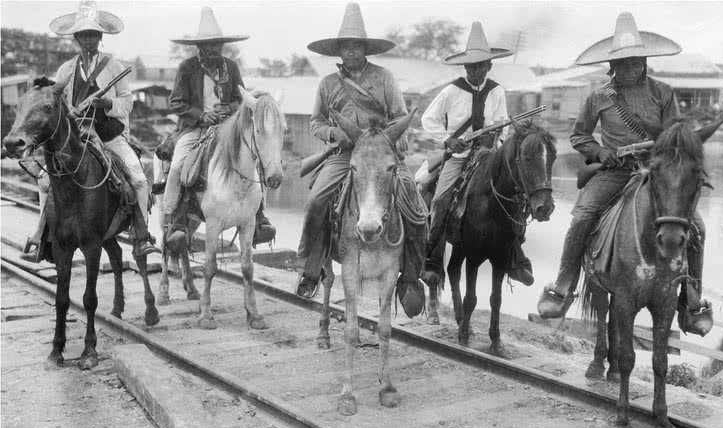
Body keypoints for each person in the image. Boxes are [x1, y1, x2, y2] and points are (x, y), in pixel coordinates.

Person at [536, 12, 713, 336]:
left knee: (697, 227)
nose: (630, 68)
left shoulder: (663, 92)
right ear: (612, 66)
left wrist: (659, 153)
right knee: (582, 217)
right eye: (623, 63)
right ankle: (563, 286)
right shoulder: (599, 96)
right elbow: (579, 136)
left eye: (635, 61)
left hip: (655, 174)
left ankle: (691, 301)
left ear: (645, 61)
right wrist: (599, 152)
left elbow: (676, 137)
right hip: (614, 171)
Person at [296, 2, 427, 317]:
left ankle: (411, 276)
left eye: (356, 46)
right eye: (346, 46)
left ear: (364, 49)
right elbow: (316, 122)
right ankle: (311, 267)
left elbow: (398, 116)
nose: (351, 51)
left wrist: (400, 139)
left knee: (416, 205)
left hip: (381, 153)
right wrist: (332, 134)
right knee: (316, 200)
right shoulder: (328, 83)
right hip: (344, 155)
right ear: (339, 51)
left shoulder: (384, 78)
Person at [23, 0, 157, 262]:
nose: (88, 40)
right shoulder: (66, 70)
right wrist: (68, 110)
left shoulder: (115, 67)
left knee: (139, 180)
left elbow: (128, 103)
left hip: (109, 135)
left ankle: (142, 237)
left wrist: (107, 103)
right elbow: (56, 103)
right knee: (43, 180)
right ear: (76, 38)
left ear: (100, 37)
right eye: (83, 35)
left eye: (93, 35)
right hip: (76, 138)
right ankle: (42, 237)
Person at [420, 21, 534, 287]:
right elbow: (429, 119)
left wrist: (495, 139)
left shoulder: (497, 91)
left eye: (481, 65)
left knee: (515, 197)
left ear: (489, 66)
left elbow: (504, 124)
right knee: (439, 200)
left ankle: (516, 259)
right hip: (459, 158)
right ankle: (432, 258)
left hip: (488, 157)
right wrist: (449, 140)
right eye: (471, 66)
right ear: (465, 67)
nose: (476, 70)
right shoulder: (451, 90)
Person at [162, 7, 275, 249]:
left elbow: (241, 97)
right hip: (195, 129)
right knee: (179, 165)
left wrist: (230, 108)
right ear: (199, 46)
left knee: (255, 159)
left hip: (228, 128)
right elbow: (176, 102)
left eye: (218, 44)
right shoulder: (187, 67)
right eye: (209, 45)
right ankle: (175, 219)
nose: (214, 49)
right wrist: (202, 115)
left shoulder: (231, 67)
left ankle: (259, 215)